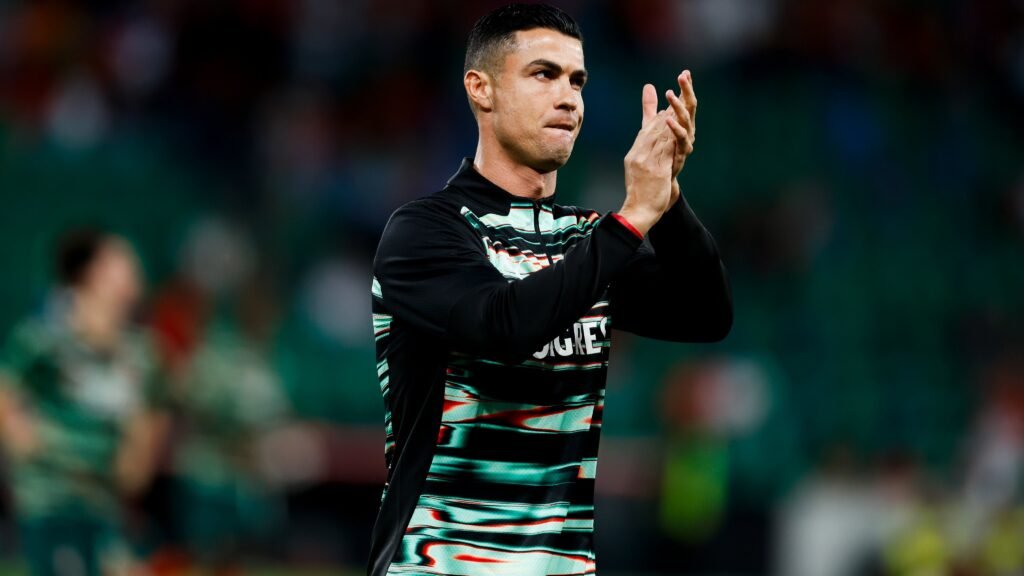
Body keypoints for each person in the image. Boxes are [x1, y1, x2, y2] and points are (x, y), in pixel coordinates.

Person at [368, 4, 732, 575]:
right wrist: (631, 218)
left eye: (577, 80)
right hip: (438, 563)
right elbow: (504, 327)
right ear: (480, 90)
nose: (569, 97)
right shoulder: (425, 230)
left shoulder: (587, 238)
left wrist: (669, 198)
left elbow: (705, 314)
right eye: (543, 74)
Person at [0, 230, 167, 576]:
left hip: (105, 502)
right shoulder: (47, 339)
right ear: (94, 272)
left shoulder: (140, 353)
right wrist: (25, 440)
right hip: (54, 499)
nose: (136, 271)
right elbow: (6, 389)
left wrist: (140, 448)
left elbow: (147, 416)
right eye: (123, 262)